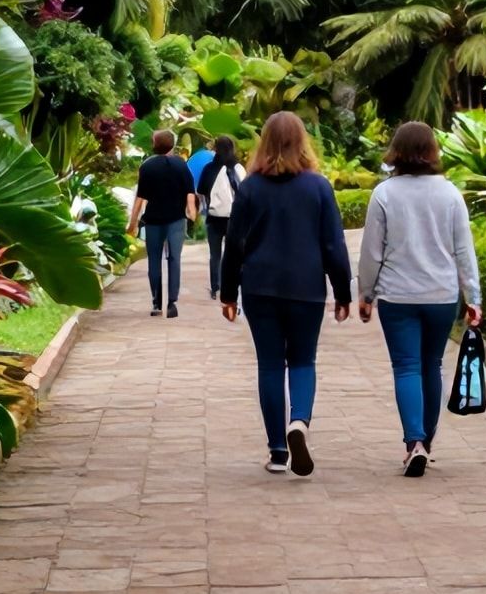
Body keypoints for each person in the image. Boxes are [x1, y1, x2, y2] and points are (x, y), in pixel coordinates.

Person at [219, 112, 351, 476]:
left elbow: (235, 245)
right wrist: (343, 292)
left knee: (271, 364)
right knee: (304, 360)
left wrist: (228, 293)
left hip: (260, 287)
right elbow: (333, 245)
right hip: (307, 286)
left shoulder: (250, 188)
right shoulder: (319, 187)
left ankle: (278, 450)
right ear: (302, 140)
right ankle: (300, 423)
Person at [356, 121, 482, 478]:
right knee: (432, 365)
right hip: (441, 295)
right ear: (431, 152)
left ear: (395, 152)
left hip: (397, 295)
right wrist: (473, 296)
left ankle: (414, 443)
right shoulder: (450, 194)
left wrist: (365, 292)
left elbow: (372, 252)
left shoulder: (384, 194)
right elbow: (463, 251)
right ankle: (427, 440)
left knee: (407, 366)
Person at [127, 128, 197, 318]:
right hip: (176, 220)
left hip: (153, 220)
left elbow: (140, 199)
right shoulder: (181, 165)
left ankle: (156, 302)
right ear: (172, 145)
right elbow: (190, 193)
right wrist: (192, 213)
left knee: (154, 260)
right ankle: (172, 303)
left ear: (155, 144)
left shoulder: (147, 166)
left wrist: (132, 223)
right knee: (175, 259)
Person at [196, 135, 247, 300]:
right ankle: (234, 285)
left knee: (215, 255)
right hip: (235, 219)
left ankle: (215, 288)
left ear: (216, 149)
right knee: (235, 253)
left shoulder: (209, 168)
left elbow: (201, 190)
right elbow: (246, 192)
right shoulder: (238, 168)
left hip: (214, 218)